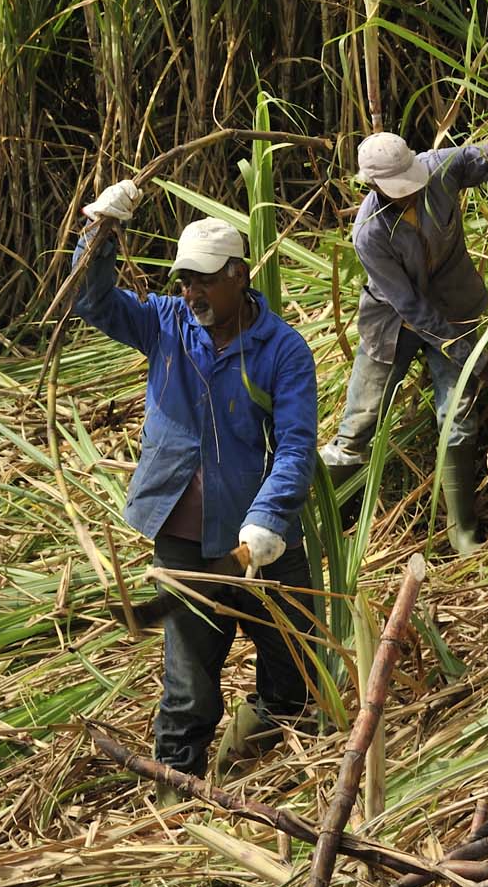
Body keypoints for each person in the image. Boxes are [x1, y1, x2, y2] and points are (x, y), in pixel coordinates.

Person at [71, 180, 318, 780]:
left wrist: (267, 519)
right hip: (181, 536)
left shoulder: (280, 350)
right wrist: (99, 234)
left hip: (260, 535)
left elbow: (295, 446)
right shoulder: (164, 325)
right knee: (188, 687)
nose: (192, 291)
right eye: (185, 279)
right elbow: (90, 300)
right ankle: (176, 797)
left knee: (296, 668)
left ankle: (253, 755)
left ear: (240, 273)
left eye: (206, 279)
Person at [320, 131, 488, 555]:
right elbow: (411, 307)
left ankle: (461, 532)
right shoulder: (369, 234)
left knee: (458, 416)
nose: (408, 194)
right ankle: (331, 524)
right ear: (371, 185)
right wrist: (471, 356)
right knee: (359, 424)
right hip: (393, 323)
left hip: (455, 307)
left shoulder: (440, 170)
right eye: (395, 190)